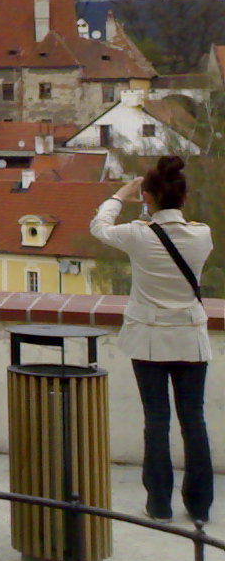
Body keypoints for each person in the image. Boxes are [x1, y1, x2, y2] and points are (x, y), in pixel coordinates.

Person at [91, 156, 213, 526]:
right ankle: (200, 505)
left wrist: (119, 195)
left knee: (156, 420)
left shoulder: (138, 234)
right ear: (184, 197)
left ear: (147, 197)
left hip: (148, 337)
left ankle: (159, 504)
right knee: (194, 420)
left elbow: (99, 227)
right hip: (190, 337)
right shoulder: (202, 234)